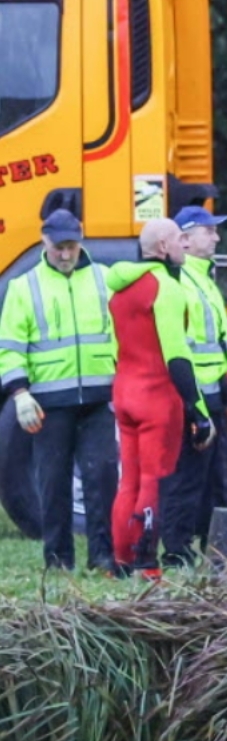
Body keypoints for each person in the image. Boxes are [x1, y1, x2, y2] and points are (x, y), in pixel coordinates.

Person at [0, 210, 119, 571]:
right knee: (52, 483)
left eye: (71, 247)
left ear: (80, 241)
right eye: (58, 248)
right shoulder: (25, 286)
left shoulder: (105, 279)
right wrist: (19, 393)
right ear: (44, 242)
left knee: (102, 476)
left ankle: (102, 556)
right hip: (48, 403)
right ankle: (58, 559)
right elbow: (10, 346)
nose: (65, 255)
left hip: (100, 399)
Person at [107, 218, 213, 578]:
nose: (186, 244)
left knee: (128, 482)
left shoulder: (120, 287)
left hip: (124, 393)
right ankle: (148, 564)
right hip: (156, 397)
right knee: (153, 480)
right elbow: (176, 356)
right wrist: (199, 411)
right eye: (180, 238)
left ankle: (120, 561)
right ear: (164, 248)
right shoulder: (165, 287)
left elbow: (116, 346)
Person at [159, 205, 227, 567]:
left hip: (212, 394)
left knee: (215, 479)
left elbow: (217, 349)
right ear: (187, 239)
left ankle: (217, 548)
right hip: (191, 397)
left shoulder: (203, 279)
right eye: (209, 230)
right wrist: (195, 403)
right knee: (187, 479)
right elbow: (180, 349)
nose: (217, 237)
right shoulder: (182, 282)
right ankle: (177, 551)